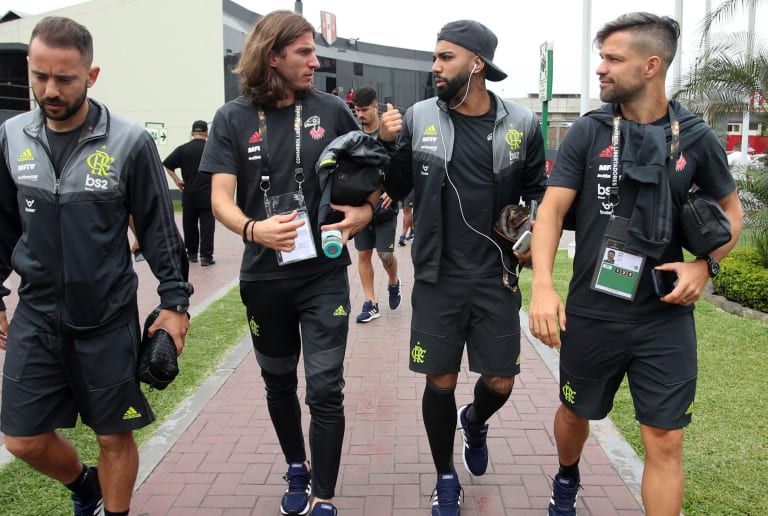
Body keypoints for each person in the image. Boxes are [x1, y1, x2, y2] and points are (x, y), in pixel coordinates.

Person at [0, 17, 192, 516]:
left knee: (114, 436)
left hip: (107, 319)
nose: (50, 89)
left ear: (91, 76)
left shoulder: (130, 143)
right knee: (22, 439)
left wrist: (175, 303)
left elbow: (159, 231)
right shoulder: (11, 136)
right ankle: (85, 487)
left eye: (65, 78)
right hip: (36, 316)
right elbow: (1, 223)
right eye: (39, 75)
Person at [527, 13, 743, 516]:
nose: (600, 69)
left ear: (650, 66)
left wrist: (704, 266)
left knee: (666, 441)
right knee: (576, 414)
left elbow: (733, 215)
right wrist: (542, 284)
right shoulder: (587, 132)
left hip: (664, 317)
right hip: (594, 312)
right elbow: (552, 211)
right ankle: (567, 474)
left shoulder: (694, 136)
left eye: (612, 59)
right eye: (601, 57)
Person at [199, 11, 375, 516]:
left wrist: (364, 211)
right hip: (263, 278)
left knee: (325, 386)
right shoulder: (231, 118)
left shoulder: (333, 112)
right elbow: (220, 199)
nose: (315, 63)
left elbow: (370, 181)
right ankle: (295, 465)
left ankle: (323, 493)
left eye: (314, 52)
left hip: (322, 275)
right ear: (272, 56)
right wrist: (255, 230)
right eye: (304, 52)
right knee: (279, 381)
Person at [380, 20, 547, 516]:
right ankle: (445, 477)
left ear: (476, 64)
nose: (435, 67)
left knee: (501, 381)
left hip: (496, 275)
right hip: (436, 276)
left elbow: (540, 189)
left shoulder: (521, 123)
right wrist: (387, 144)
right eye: (434, 57)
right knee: (440, 381)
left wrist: (532, 230)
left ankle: (475, 420)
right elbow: (395, 187)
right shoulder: (416, 117)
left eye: (445, 57)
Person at [352, 86, 401, 322]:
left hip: (384, 206)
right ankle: (371, 303)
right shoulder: (353, 134)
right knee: (363, 255)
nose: (360, 114)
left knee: (384, 255)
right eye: (356, 110)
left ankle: (393, 282)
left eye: (364, 110)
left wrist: (395, 191)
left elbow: (402, 167)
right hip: (360, 207)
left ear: (375, 107)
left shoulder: (390, 132)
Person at [164, 120, 215, 266]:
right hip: (207, 194)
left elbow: (167, 164)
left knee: (189, 225)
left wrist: (177, 180)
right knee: (207, 227)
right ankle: (206, 257)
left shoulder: (183, 149)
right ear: (206, 133)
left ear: (192, 133)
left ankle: (191, 254)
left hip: (189, 194)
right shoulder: (211, 149)